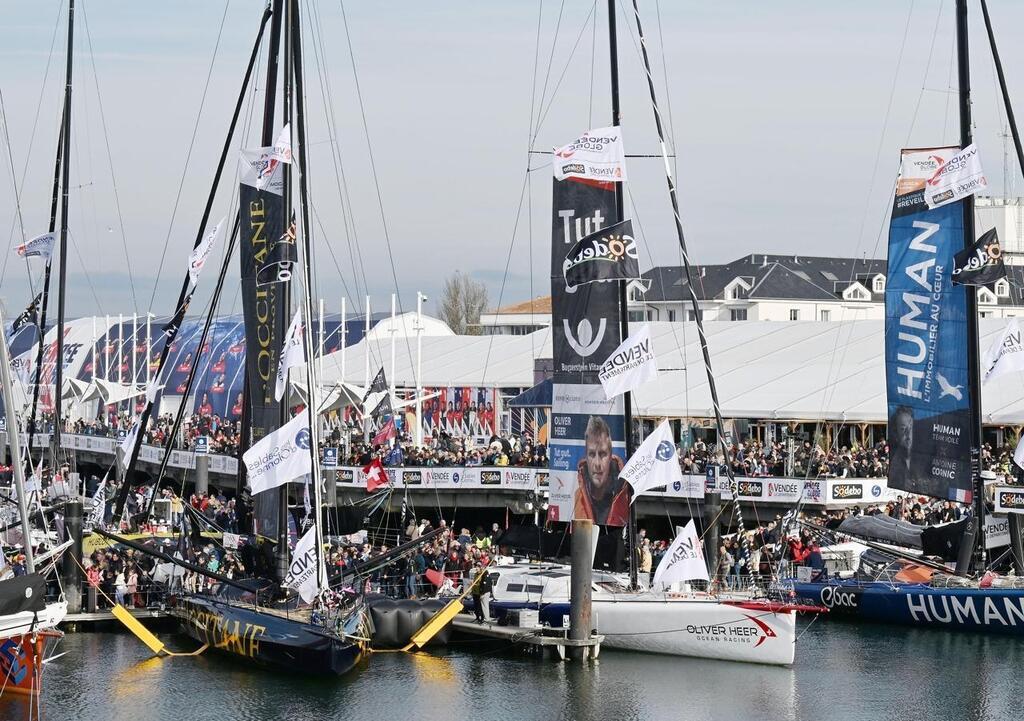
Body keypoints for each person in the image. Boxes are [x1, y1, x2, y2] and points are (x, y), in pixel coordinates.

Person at [573, 416, 629, 525]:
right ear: (586, 457)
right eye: (592, 454)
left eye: (603, 454)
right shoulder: (578, 497)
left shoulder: (625, 495)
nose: (597, 464)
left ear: (610, 456)